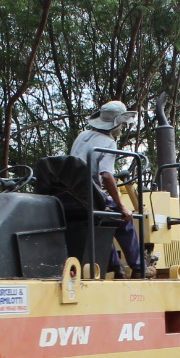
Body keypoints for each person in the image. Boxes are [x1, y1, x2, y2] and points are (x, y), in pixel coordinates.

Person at [70, 100, 144, 277]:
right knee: (124, 219)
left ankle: (116, 267)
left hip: (71, 195)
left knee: (103, 222)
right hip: (91, 195)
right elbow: (106, 175)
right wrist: (122, 205)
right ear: (116, 124)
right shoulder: (108, 142)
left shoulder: (82, 136)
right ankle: (139, 267)